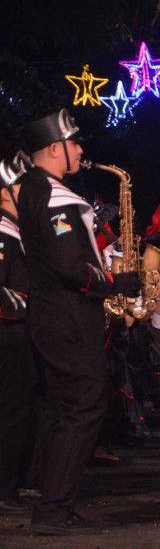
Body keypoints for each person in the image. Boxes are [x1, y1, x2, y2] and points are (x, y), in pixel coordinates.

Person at [17, 109, 140, 534]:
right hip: (68, 314)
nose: (81, 150)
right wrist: (115, 281)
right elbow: (71, 267)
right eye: (74, 143)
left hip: (52, 312)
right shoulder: (52, 195)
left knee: (62, 406)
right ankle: (54, 504)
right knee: (86, 403)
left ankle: (48, 495)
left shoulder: (32, 190)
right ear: (54, 148)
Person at [0, 152, 38, 515]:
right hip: (9, 331)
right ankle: (5, 486)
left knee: (24, 407)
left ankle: (21, 479)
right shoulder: (2, 232)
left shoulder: (17, 232)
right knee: (12, 410)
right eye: (21, 188)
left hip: (20, 330)